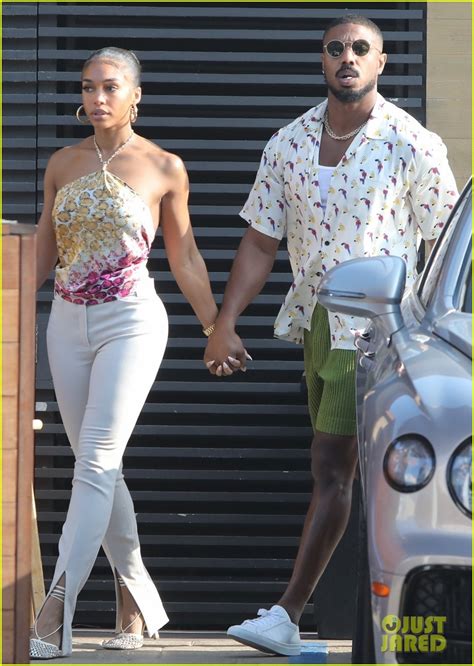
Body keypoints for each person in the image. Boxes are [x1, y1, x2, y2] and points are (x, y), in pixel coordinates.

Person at [204, 14, 458, 656]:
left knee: (335, 471)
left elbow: (442, 244)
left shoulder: (412, 143)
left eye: (360, 48)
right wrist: (223, 323)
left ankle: (289, 616)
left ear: (381, 62)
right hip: (320, 326)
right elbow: (261, 242)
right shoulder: (287, 144)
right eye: (336, 48)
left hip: (379, 332)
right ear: (322, 60)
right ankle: (369, 627)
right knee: (343, 474)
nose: (348, 56)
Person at [30, 46, 234, 659]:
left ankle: (55, 610)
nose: (97, 97)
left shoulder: (164, 166)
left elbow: (186, 256)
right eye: (89, 86)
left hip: (132, 322)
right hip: (66, 324)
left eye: (110, 87)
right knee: (101, 466)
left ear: (135, 95)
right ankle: (136, 601)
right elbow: (42, 254)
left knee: (93, 460)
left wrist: (214, 327)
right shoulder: (61, 164)